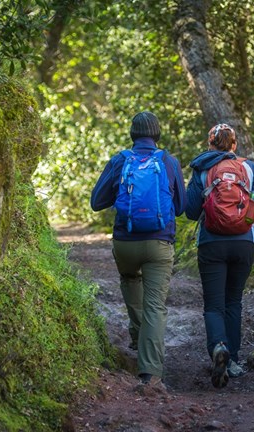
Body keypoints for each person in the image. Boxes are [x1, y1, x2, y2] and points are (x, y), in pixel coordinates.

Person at [90, 111, 187, 389]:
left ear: (132, 134)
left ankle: (137, 335)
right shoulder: (169, 161)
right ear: (157, 134)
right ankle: (150, 374)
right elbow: (179, 207)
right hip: (159, 244)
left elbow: (97, 202)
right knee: (155, 306)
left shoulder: (120, 160)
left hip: (125, 242)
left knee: (131, 279)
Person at [185, 123, 254, 388]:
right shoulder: (249, 168)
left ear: (210, 144)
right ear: (234, 145)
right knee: (234, 301)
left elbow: (188, 211)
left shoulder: (201, 168)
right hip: (244, 242)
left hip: (211, 243)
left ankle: (218, 347)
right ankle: (232, 360)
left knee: (214, 304)